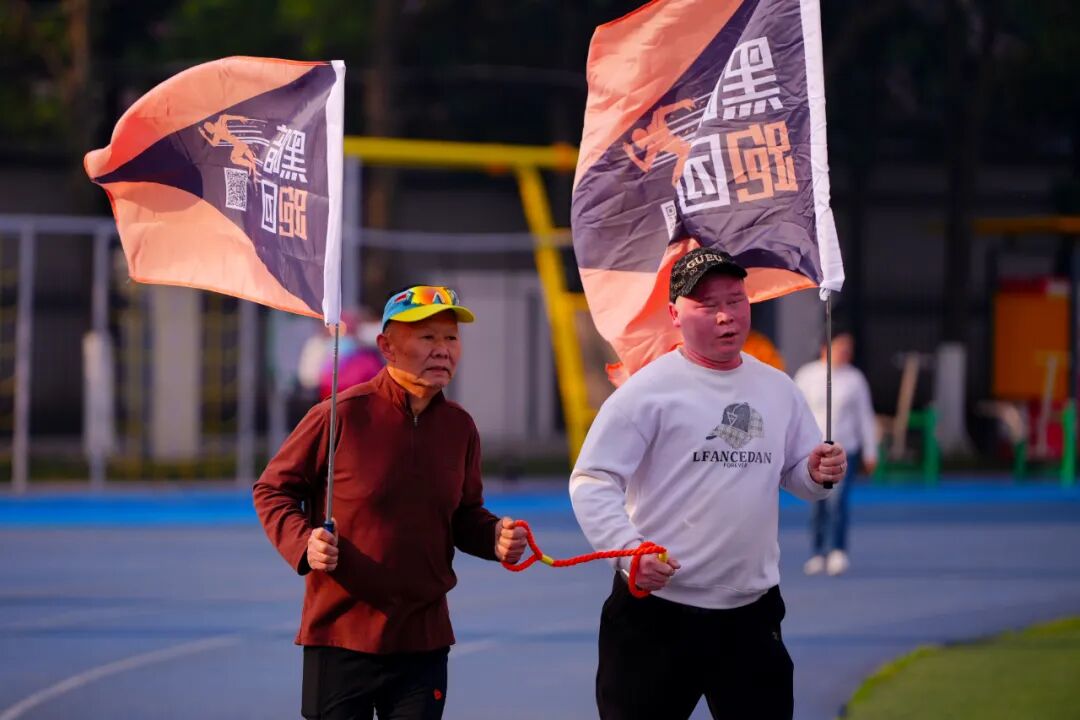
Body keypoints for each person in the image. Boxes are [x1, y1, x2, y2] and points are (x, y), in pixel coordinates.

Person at [569, 247, 846, 720]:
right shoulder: (647, 391)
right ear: (674, 314)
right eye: (708, 305)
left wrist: (817, 473)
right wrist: (627, 551)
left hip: (751, 616)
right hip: (656, 616)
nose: (725, 316)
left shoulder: (777, 388)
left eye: (735, 301)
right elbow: (592, 479)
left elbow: (796, 472)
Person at [254, 284, 528, 720]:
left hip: (423, 641)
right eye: (427, 337)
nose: (443, 350)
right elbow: (272, 489)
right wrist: (304, 542)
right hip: (340, 636)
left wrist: (494, 536)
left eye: (451, 338)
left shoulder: (460, 428)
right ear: (387, 347)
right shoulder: (341, 414)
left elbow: (464, 516)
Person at [794, 330, 878, 577]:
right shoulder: (807, 375)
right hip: (813, 452)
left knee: (837, 501)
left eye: (849, 348)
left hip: (844, 450)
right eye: (841, 346)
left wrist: (870, 451)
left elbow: (864, 416)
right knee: (817, 503)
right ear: (825, 347)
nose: (845, 352)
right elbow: (795, 413)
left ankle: (837, 549)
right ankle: (818, 551)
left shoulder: (855, 379)